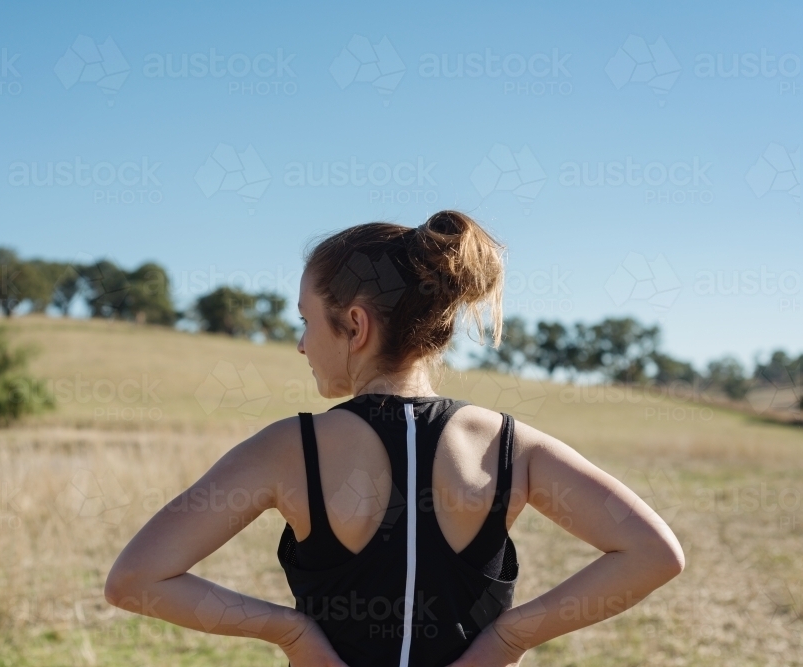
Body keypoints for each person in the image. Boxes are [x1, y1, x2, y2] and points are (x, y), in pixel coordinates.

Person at [104, 210, 685, 666]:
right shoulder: (509, 446)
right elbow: (654, 553)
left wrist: (291, 632)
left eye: (306, 321)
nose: (302, 345)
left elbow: (135, 580)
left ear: (354, 325)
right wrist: (507, 641)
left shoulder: (288, 449)